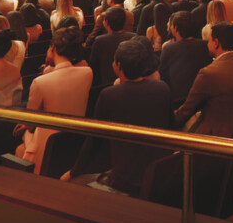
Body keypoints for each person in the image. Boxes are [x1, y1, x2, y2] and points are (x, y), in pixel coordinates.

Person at [64, 37, 173, 195]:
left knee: (74, 184)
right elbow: (171, 125)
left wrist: (73, 172)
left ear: (118, 65)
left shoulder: (109, 95)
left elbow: (93, 141)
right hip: (159, 172)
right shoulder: (162, 88)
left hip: (125, 179)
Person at [20, 26, 93, 169]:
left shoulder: (40, 82)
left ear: (53, 47)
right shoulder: (87, 73)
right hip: (73, 141)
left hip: (46, 145)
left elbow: (30, 124)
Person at [174, 21, 233, 136]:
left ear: (216, 43)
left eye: (209, 41)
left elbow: (186, 111)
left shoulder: (208, 73)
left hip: (217, 138)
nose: (207, 44)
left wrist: (167, 120)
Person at [87, 7, 134, 90]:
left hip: (106, 85)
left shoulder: (100, 41)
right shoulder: (133, 37)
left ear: (106, 23)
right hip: (131, 82)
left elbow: (93, 65)